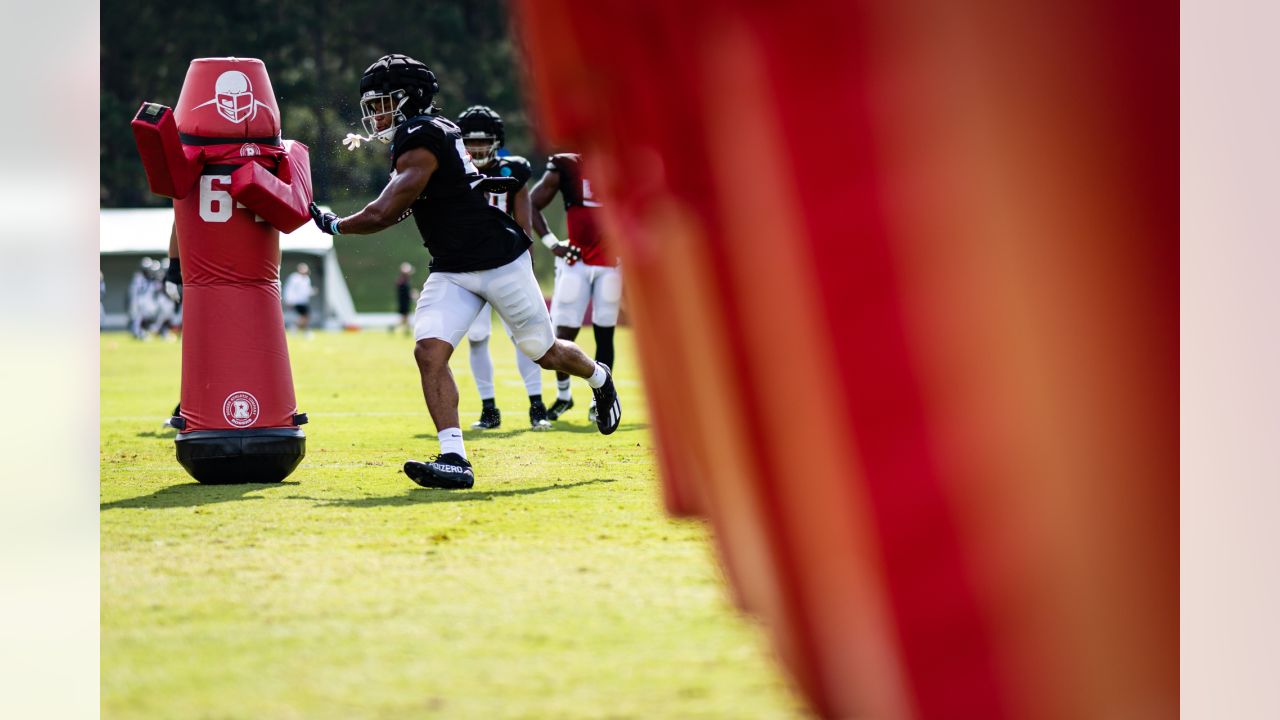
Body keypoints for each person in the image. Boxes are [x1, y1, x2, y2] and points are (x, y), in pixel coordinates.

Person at [310, 53, 619, 490]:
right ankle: (455, 458)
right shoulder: (420, 133)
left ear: (408, 99)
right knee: (428, 352)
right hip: (453, 266)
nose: (374, 113)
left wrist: (336, 223)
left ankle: (600, 378)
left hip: (498, 260)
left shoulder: (421, 135)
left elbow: (385, 211)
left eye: (381, 102)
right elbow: (405, 204)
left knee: (544, 352)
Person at [456, 105, 550, 431]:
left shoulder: (513, 170)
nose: (478, 148)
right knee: (478, 337)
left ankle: (537, 406)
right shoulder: (454, 172)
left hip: (508, 265)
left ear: (497, 142)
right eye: (471, 142)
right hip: (469, 265)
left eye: (484, 141)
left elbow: (524, 224)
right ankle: (489, 410)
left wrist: (529, 266)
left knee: (524, 336)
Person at [531, 152, 623, 425]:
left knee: (604, 333)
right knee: (563, 333)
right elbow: (531, 203)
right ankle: (564, 396)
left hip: (610, 263)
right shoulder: (567, 165)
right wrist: (551, 243)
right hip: (576, 261)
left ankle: (601, 400)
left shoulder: (623, 160)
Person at [282, 262, 316, 335]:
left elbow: (306, 290)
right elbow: (289, 289)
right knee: (305, 317)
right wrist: (288, 300)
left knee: (305, 317)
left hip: (304, 301)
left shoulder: (307, 279)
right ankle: (297, 329)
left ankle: (299, 329)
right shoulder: (294, 278)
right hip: (296, 301)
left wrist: (312, 291)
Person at [395, 262, 416, 334]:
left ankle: (407, 330)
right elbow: (405, 293)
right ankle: (407, 330)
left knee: (404, 318)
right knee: (405, 317)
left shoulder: (403, 280)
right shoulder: (402, 281)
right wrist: (411, 295)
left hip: (404, 301)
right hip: (404, 302)